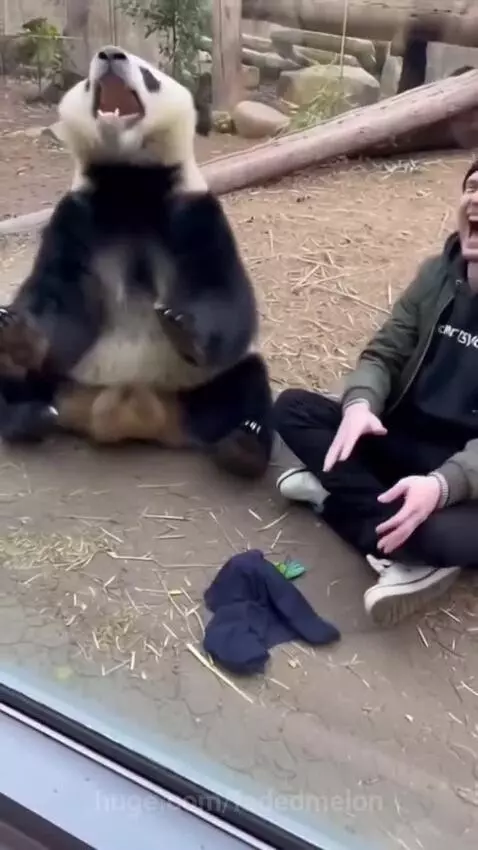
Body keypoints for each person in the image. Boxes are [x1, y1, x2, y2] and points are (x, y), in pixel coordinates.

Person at [273, 159, 478, 627]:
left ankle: (342, 504)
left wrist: (445, 485)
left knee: (437, 535)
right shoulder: (437, 275)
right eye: (472, 186)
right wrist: (361, 403)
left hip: (467, 480)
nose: (476, 199)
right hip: (406, 440)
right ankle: (392, 531)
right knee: (294, 410)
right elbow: (384, 352)